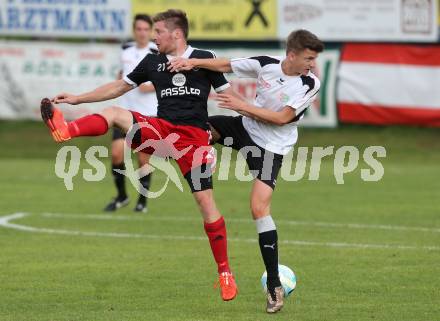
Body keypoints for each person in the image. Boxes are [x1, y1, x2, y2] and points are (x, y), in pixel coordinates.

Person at [40, 9, 238, 301]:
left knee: (206, 203)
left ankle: (224, 272)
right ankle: (66, 130)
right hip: (161, 131)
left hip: (194, 140)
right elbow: (119, 86)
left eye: (158, 32)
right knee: (116, 113)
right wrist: (78, 98)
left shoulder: (204, 57)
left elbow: (228, 94)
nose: (154, 37)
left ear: (176, 34)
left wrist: (254, 119)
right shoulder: (152, 61)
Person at [168, 29, 324, 313]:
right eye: (308, 57)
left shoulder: (308, 83)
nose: (312, 63)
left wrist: (242, 106)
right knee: (196, 130)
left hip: (271, 148)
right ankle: (205, 155)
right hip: (245, 129)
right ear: (291, 54)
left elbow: (281, 118)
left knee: (258, 208)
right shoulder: (266, 63)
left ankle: (274, 286)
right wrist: (192, 63)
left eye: (313, 58)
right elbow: (227, 65)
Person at [105, 14, 158, 213]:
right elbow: (121, 75)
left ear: (150, 31)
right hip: (124, 112)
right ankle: (122, 196)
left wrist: (150, 86)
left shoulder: (156, 51)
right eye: (139, 29)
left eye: (146, 29)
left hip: (147, 116)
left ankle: (142, 201)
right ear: (134, 30)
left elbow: (166, 80)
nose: (142, 33)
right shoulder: (125, 50)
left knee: (143, 160)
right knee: (116, 154)